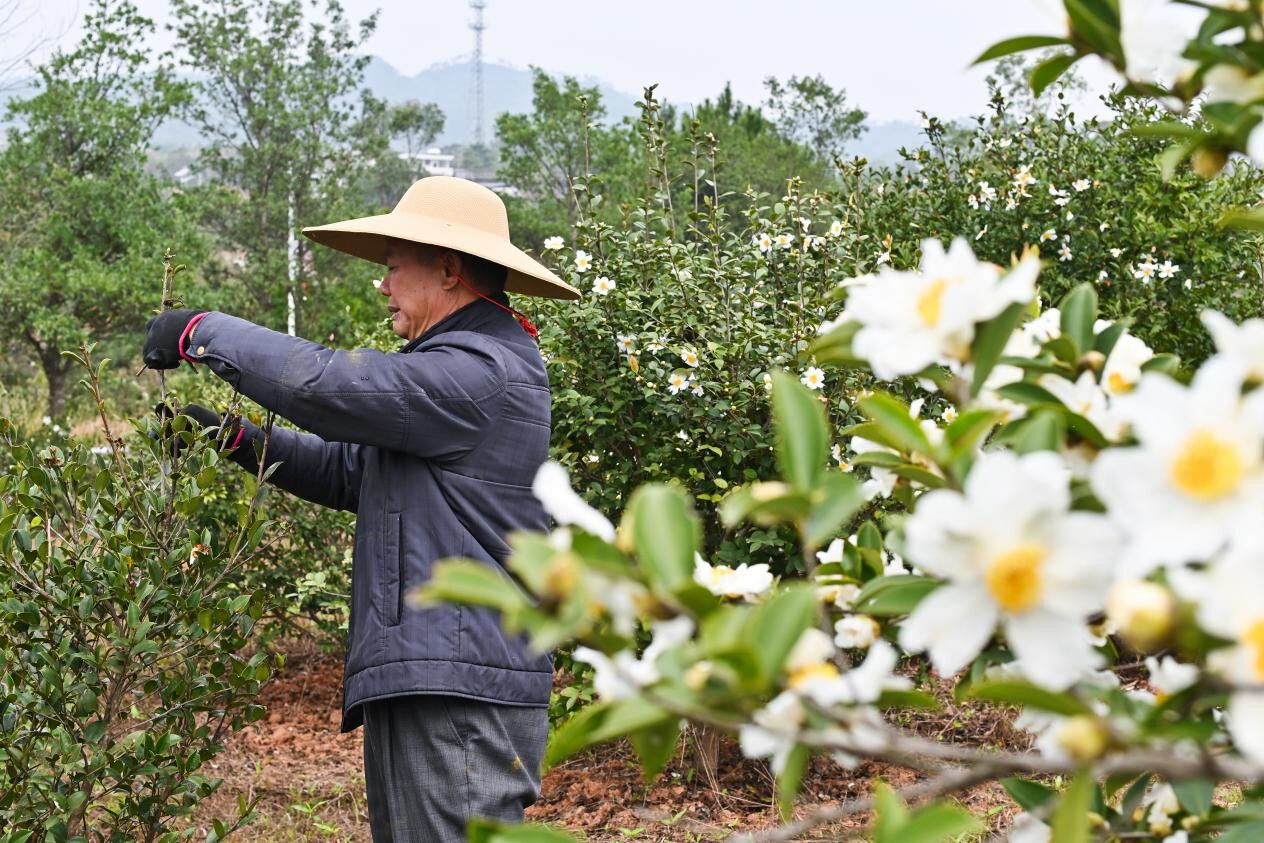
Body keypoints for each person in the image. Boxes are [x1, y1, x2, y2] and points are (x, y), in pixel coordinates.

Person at [141, 176, 580, 841]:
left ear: (450, 270)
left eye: (392, 267)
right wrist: (235, 438)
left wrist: (205, 333)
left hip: (462, 685)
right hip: (440, 673)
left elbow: (334, 385)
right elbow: (352, 471)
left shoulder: (480, 370)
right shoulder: (454, 370)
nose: (383, 286)